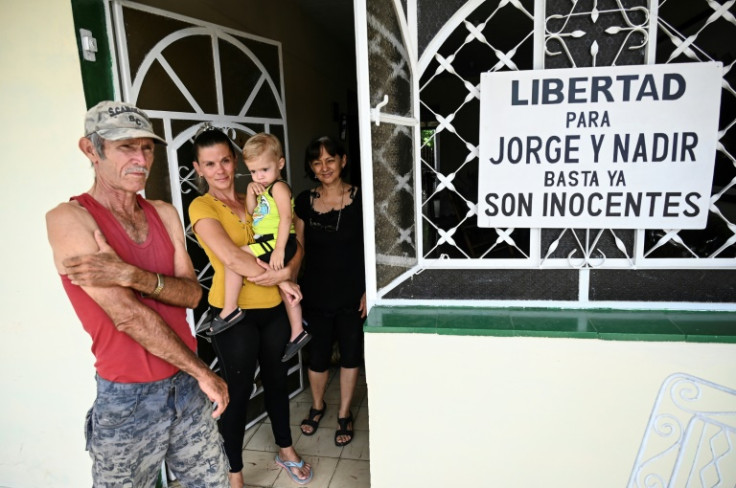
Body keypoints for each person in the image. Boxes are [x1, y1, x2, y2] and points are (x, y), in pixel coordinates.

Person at [45, 101, 230, 487]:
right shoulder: (70, 219)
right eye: (125, 147)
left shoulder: (163, 212)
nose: (141, 158)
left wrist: (132, 274)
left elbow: (194, 295)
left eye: (146, 147)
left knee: (212, 482)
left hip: (186, 387)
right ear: (91, 149)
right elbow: (127, 315)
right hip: (128, 397)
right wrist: (203, 372)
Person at [189, 125, 313, 487]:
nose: (220, 170)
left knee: (277, 381)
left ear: (235, 161)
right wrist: (284, 279)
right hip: (235, 316)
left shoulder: (256, 196)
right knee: (238, 392)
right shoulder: (203, 206)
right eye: (210, 164)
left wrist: (288, 269)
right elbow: (229, 255)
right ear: (198, 168)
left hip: (272, 307)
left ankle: (285, 449)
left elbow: (295, 237)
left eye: (225, 160)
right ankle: (235, 474)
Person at [210, 132, 310, 363]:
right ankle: (298, 332)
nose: (259, 176)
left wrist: (278, 249)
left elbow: (286, 218)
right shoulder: (265, 189)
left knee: (234, 258)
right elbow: (253, 212)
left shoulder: (279, 188)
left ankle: (230, 309)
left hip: (276, 241)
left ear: (280, 164)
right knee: (287, 289)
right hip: (269, 240)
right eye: (253, 171)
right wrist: (253, 195)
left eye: (264, 170)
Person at [294, 136, 366, 447]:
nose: (324, 167)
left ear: (343, 161)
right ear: (311, 167)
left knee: (351, 356)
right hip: (316, 292)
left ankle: (345, 413)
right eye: (317, 162)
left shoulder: (361, 199)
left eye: (330, 160)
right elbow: (297, 248)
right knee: (318, 356)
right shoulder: (303, 201)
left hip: (353, 292)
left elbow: (371, 249)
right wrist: (291, 287)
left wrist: (369, 291)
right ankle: (318, 406)